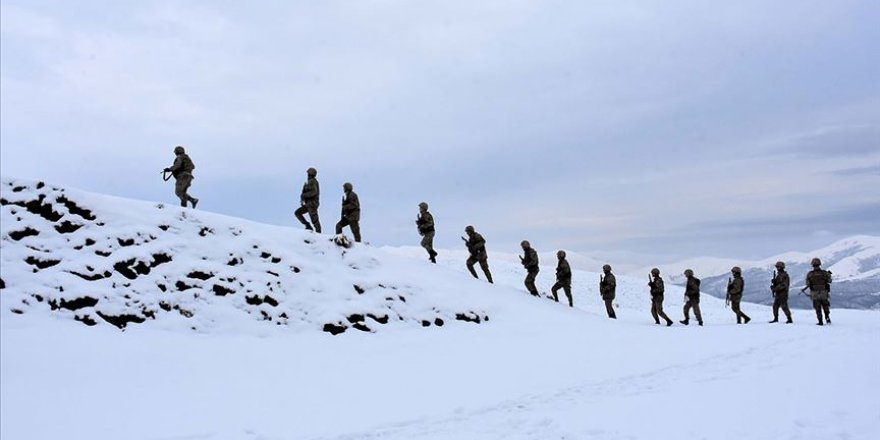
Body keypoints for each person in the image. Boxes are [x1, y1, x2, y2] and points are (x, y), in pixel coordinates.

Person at [804, 257, 832, 326]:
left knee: (817, 307)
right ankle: (827, 317)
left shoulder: (810, 274)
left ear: (812, 265)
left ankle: (820, 321)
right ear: (819, 264)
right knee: (825, 305)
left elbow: (807, 284)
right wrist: (829, 275)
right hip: (823, 292)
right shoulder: (824, 273)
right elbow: (829, 281)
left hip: (815, 293)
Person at [294, 167, 321, 233]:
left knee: (314, 220)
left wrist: (304, 195)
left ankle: (319, 234)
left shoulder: (313, 181)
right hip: (308, 204)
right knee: (297, 213)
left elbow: (313, 192)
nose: (307, 175)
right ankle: (308, 225)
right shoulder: (308, 182)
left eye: (308, 174)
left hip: (312, 204)